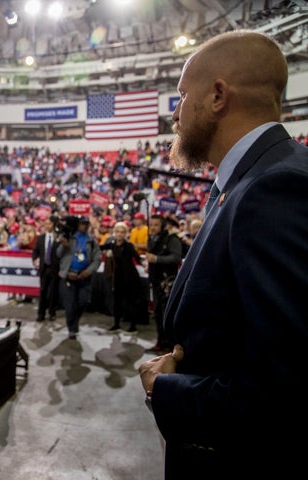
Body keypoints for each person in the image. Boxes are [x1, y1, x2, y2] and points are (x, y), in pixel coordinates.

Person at [138, 31, 308, 479]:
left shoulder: (273, 189)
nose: (174, 113)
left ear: (217, 95)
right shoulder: (245, 184)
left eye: (181, 95)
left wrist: (167, 388)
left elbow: (285, 390)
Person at [56, 216, 101, 339]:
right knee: (70, 304)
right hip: (69, 274)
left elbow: (97, 258)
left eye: (86, 223)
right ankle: (72, 328)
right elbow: (58, 254)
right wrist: (62, 244)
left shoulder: (91, 240)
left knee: (82, 302)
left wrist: (89, 271)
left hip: (84, 276)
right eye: (82, 223)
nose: (84, 226)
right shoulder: (69, 237)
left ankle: (74, 323)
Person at [144, 214, 182, 354]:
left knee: (167, 315)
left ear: (162, 226)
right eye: (151, 224)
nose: (152, 228)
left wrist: (157, 259)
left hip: (168, 283)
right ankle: (160, 342)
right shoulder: (151, 239)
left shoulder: (172, 239)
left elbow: (176, 257)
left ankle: (170, 347)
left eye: (156, 225)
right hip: (155, 282)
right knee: (158, 314)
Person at [102, 221, 143, 333]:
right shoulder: (111, 245)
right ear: (114, 232)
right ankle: (116, 324)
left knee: (131, 302)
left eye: (122, 232)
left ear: (125, 233)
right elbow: (99, 247)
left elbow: (137, 257)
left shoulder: (128, 246)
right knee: (117, 302)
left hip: (130, 277)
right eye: (117, 232)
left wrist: (144, 264)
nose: (119, 234)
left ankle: (133, 326)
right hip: (118, 277)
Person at [32, 215, 59, 322]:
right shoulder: (41, 238)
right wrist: (34, 259)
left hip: (55, 269)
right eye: (46, 224)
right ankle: (41, 313)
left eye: (49, 224)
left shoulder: (58, 238)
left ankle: (52, 312)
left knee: (53, 292)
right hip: (44, 268)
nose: (47, 226)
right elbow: (36, 251)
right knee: (42, 291)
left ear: (54, 224)